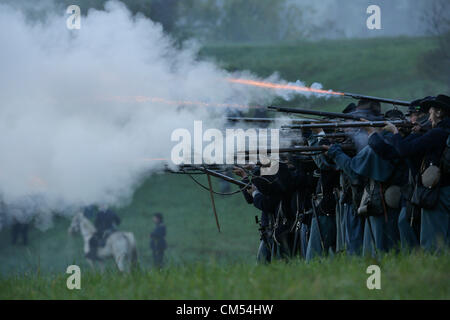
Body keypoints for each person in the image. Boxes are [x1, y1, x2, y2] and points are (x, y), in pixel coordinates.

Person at [386, 94, 450, 252]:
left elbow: (405, 150)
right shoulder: (442, 131)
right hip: (442, 189)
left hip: (438, 191)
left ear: (440, 113)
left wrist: (394, 133)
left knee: (433, 241)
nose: (429, 116)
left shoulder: (438, 133)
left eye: (431, 112)